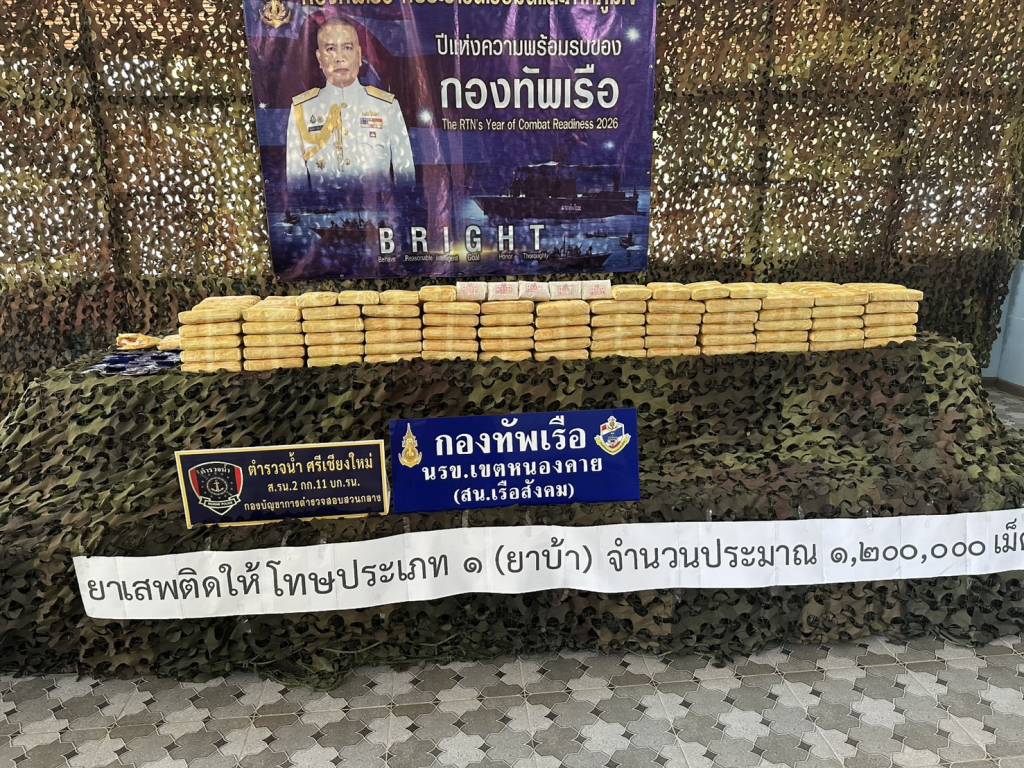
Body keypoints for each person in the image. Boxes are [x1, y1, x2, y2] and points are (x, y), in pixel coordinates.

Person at [286, 18, 415, 193]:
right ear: (319, 58)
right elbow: (296, 183)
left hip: (375, 208)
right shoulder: (302, 109)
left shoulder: (386, 106)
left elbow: (405, 176)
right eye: (330, 49)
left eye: (347, 47)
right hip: (323, 208)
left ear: (359, 55)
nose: (340, 58)